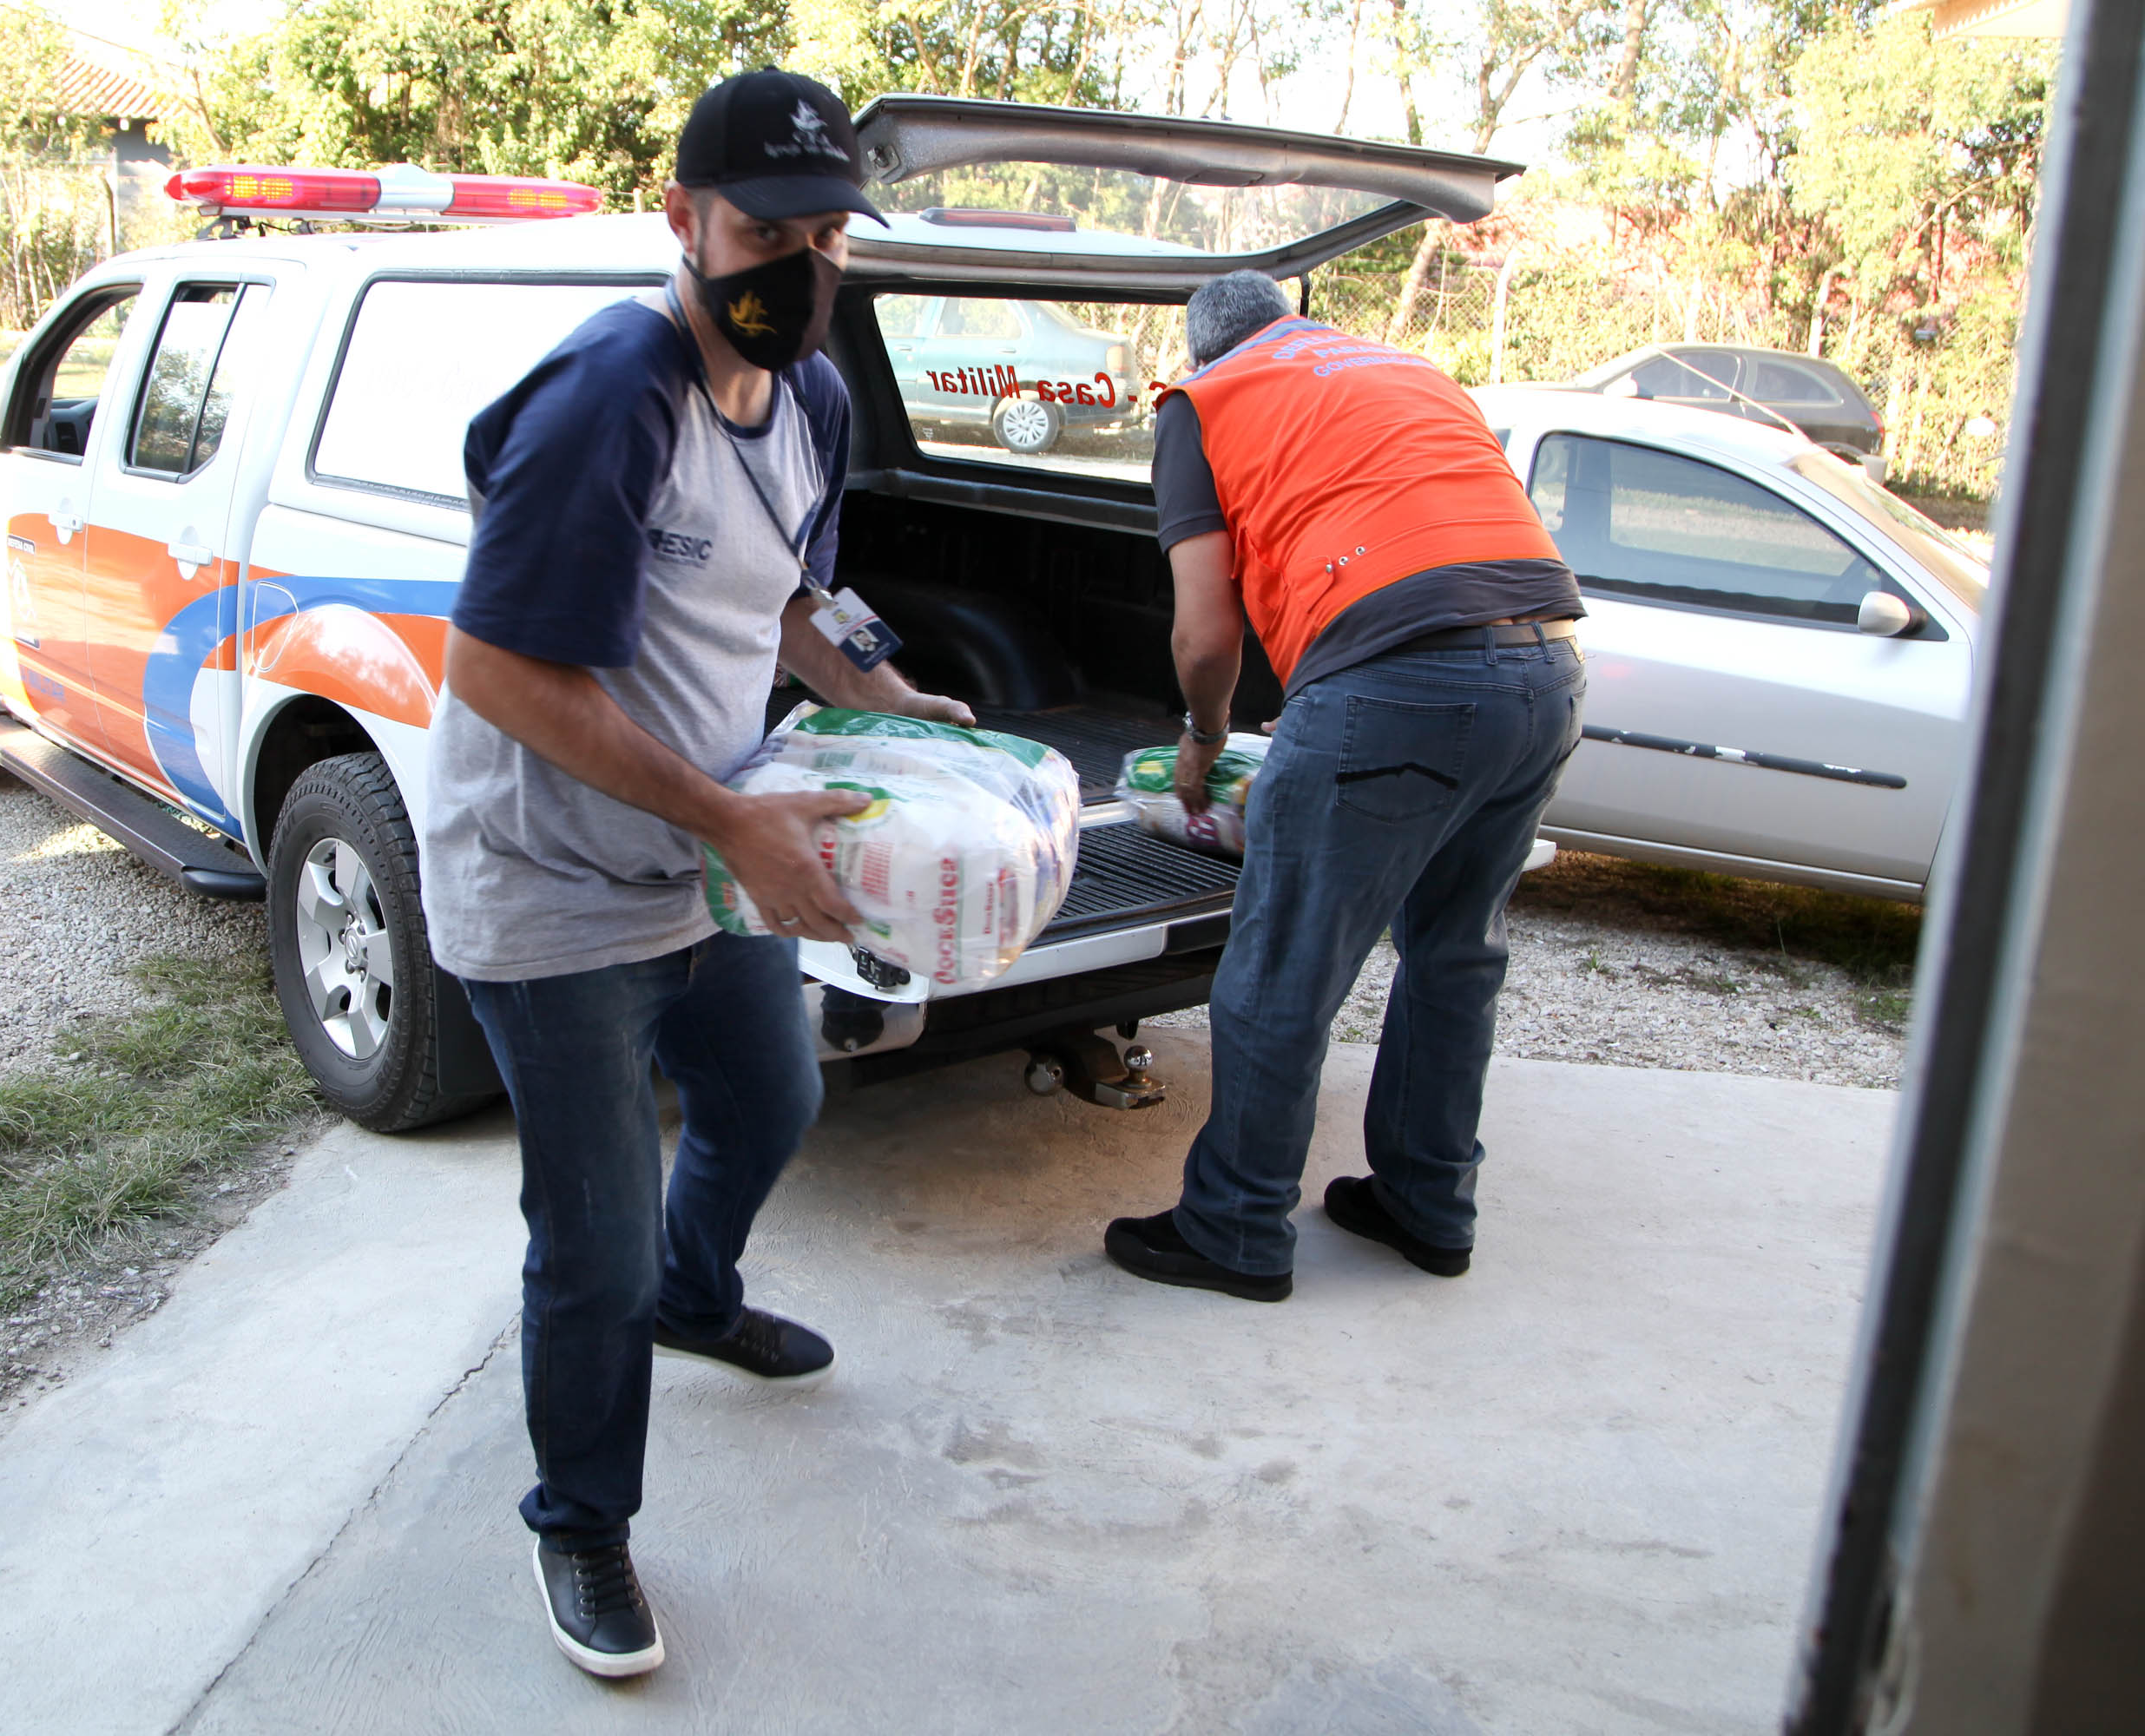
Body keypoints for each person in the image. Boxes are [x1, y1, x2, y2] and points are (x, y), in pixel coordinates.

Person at [423, 69, 974, 1680]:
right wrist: (733, 823)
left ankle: (697, 1292)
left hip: (705, 849)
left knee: (772, 1099)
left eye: (828, 236)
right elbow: (502, 675)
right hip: (548, 882)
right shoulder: (614, 394)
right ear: (681, 220)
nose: (799, 269)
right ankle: (582, 1519)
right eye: (763, 231)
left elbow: (799, 591)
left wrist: (883, 687)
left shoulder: (809, 394)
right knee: (584, 1233)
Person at [1104, 270, 1586, 1304]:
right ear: (1294, 324)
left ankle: (1233, 1226)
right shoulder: (1404, 368)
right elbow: (1421, 533)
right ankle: (1427, 1203)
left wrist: (1206, 731)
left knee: (1280, 965)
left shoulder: (1206, 400)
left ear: (1202, 354)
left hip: (1401, 679)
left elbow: (1204, 628)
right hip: (1545, 669)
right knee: (1455, 957)